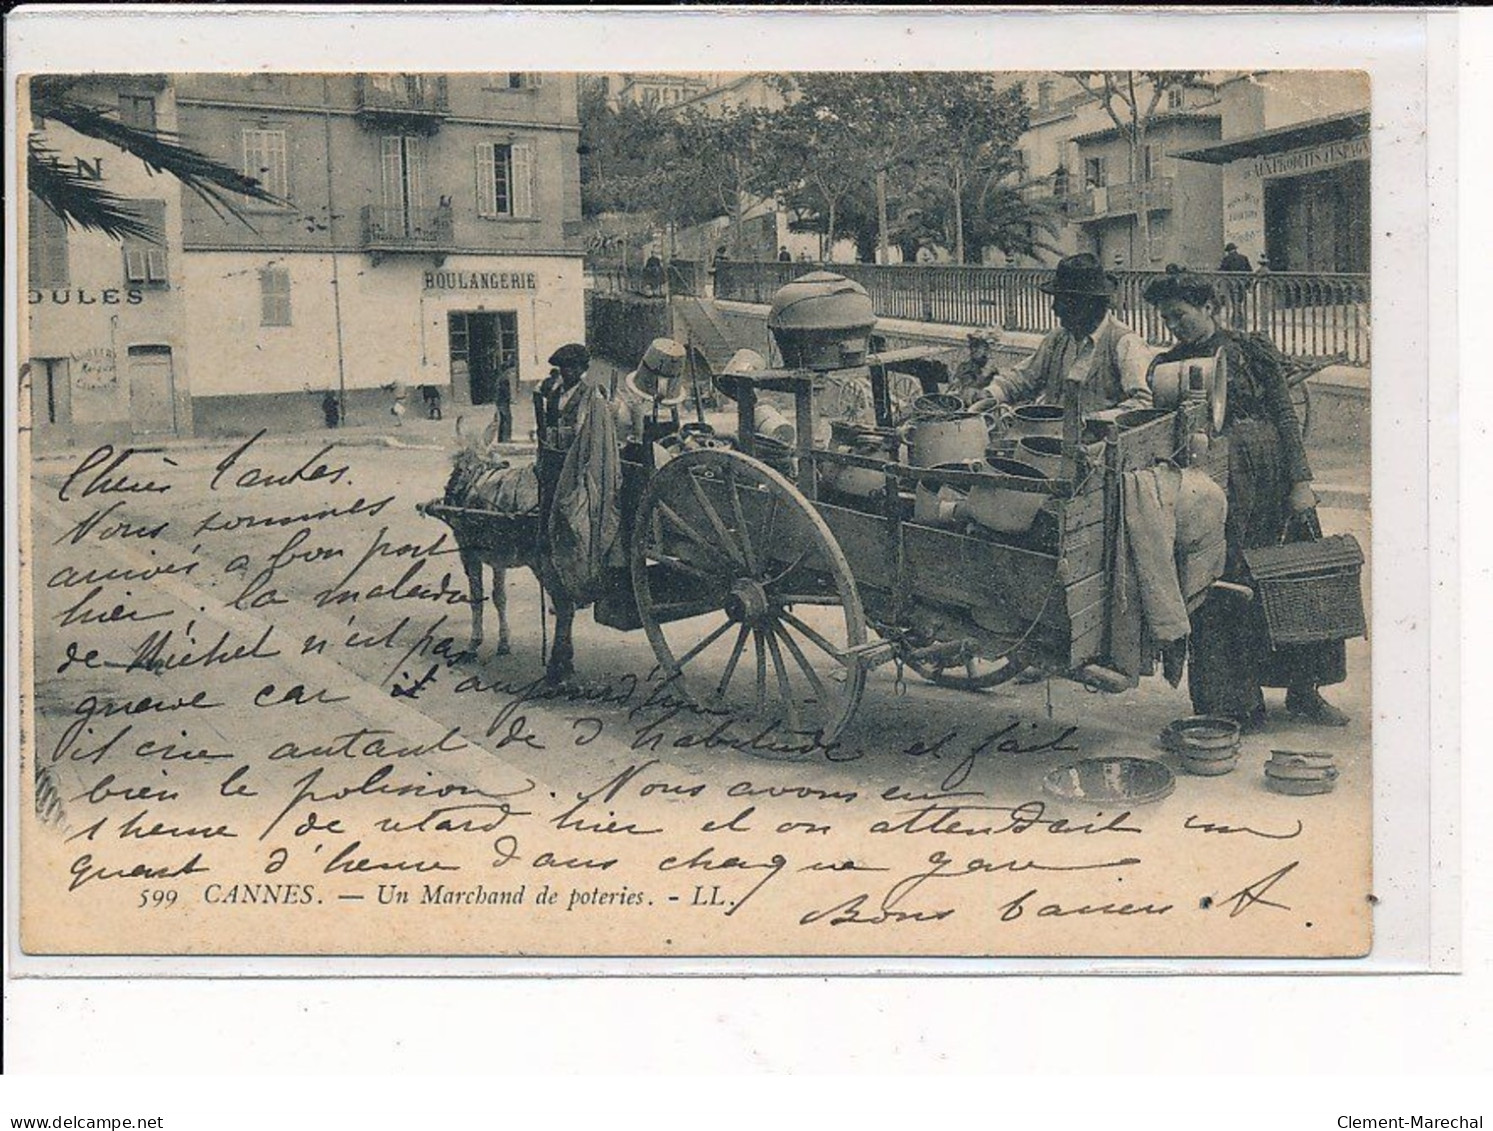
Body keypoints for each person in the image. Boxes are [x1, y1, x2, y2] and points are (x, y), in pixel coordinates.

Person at [1142, 269, 1348, 731]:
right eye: (1167, 318)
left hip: (1270, 477)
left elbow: (1283, 414)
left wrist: (1300, 482)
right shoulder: (1169, 365)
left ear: (1209, 308)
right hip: (1213, 488)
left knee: (1292, 577)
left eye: (1181, 315)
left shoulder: (1251, 351)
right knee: (1222, 585)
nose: (1175, 326)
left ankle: (1305, 692)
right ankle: (1234, 703)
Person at [974, 253, 1153, 416]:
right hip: (1052, 436)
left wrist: (1095, 419)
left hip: (1098, 445)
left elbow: (1145, 403)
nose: (1055, 309)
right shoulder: (1058, 338)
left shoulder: (1125, 344)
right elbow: (1024, 378)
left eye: (1064, 301)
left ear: (1089, 304)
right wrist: (989, 394)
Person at [949, 331, 1003, 405]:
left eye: (987, 349)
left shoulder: (990, 367)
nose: (986, 353)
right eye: (983, 349)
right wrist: (984, 375)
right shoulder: (965, 368)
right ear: (973, 350)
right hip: (969, 403)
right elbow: (969, 389)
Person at [484, 358, 518, 447]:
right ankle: (506, 438)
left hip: (500, 401)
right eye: (511, 369)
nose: (512, 371)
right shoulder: (504, 379)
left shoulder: (501, 378)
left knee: (502, 420)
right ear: (508, 369)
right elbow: (504, 392)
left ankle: (501, 438)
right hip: (503, 402)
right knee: (507, 419)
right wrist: (510, 399)